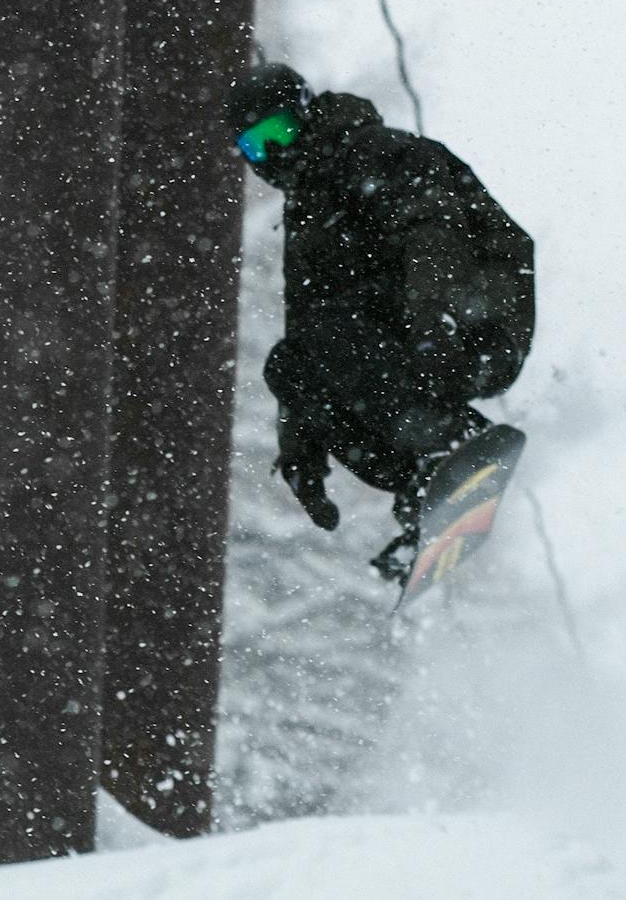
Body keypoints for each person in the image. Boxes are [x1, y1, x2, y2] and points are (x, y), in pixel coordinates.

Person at [227, 63, 534, 582]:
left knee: (328, 341)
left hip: (476, 318)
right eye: (257, 147)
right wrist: (300, 442)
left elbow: (433, 231)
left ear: (305, 113)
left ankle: (449, 444)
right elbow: (305, 334)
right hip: (411, 337)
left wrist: (436, 324)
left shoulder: (369, 155)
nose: (274, 155)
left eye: (279, 133)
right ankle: (425, 484)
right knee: (292, 365)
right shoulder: (310, 203)